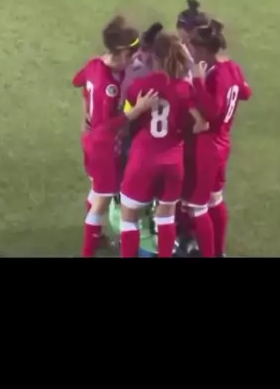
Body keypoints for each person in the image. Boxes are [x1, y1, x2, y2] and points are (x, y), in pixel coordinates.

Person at [72, 16, 159, 257]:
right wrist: (137, 111)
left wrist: (85, 114)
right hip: (103, 147)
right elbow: (106, 127)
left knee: (97, 192)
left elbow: (78, 81)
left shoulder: (95, 64)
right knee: (101, 201)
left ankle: (95, 236)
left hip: (92, 141)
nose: (131, 61)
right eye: (129, 56)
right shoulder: (108, 85)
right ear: (119, 52)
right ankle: (88, 249)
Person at [119, 31, 206, 258]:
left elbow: (125, 119)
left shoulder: (140, 86)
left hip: (143, 158)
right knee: (166, 217)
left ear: (154, 57)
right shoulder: (186, 89)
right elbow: (198, 124)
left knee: (129, 218)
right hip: (173, 161)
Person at [183, 19, 252, 257]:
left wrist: (198, 82)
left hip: (208, 146)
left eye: (193, 48)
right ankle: (218, 251)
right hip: (223, 142)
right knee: (215, 199)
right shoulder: (231, 67)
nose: (191, 52)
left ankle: (209, 253)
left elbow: (213, 110)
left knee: (198, 206)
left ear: (203, 50)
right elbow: (246, 92)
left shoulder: (215, 75)